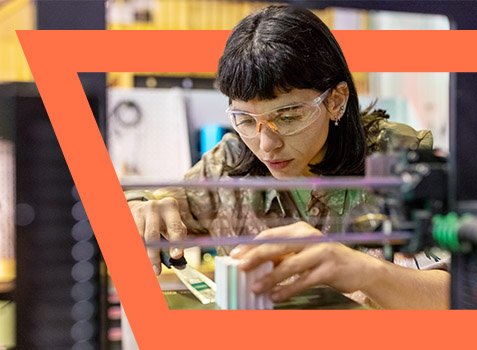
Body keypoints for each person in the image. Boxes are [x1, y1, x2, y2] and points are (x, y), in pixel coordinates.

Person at [126, 4, 449, 309]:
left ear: (336, 100)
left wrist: (364, 271)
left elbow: (462, 299)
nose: (266, 144)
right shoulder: (228, 168)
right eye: (247, 120)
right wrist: (139, 205)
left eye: (289, 116)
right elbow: (148, 208)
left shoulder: (401, 161)